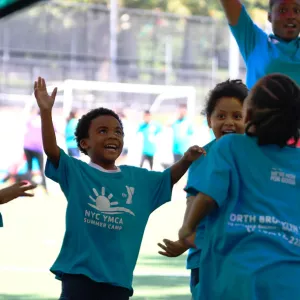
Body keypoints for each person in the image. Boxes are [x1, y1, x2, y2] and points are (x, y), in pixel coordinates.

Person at [34, 77, 205, 300]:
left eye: (118, 131)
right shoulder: (76, 172)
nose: (113, 135)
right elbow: (51, 149)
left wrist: (186, 160)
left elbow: (167, 179)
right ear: (84, 143)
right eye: (102, 131)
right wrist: (46, 112)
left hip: (118, 283)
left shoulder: (138, 178)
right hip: (78, 279)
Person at [179, 74, 300, 300]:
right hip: (292, 279)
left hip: (235, 274)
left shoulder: (230, 146)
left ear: (249, 114)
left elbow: (208, 196)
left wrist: (187, 228)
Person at [158, 79, 248, 299]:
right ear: (209, 120)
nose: (229, 122)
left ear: (250, 118)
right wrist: (184, 239)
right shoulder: (201, 158)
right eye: (221, 116)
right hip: (205, 257)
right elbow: (193, 203)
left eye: (237, 116)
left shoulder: (257, 157)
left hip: (244, 255)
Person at [220, 0, 300, 89]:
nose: (291, 16)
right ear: (270, 16)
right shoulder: (254, 41)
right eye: (283, 11)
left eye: (296, 10)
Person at [23, 109, 47, 192]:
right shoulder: (46, 120)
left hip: (27, 145)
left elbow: (26, 127)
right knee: (41, 169)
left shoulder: (32, 118)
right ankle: (45, 189)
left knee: (29, 168)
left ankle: (27, 188)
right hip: (37, 147)